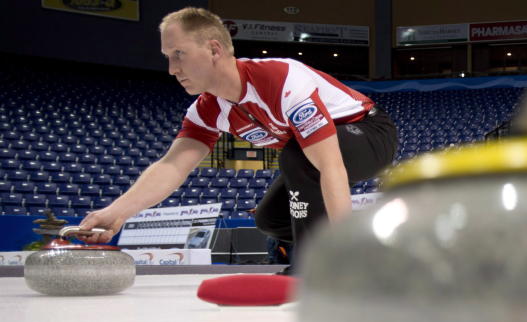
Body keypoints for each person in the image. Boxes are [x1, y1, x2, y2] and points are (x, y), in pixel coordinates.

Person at [79, 7, 397, 271]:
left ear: (214, 49)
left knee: (295, 157)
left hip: (368, 132)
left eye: (179, 54)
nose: (172, 69)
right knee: (270, 218)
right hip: (310, 155)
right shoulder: (206, 109)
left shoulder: (281, 80)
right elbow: (172, 167)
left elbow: (330, 166)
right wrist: (116, 212)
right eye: (167, 56)